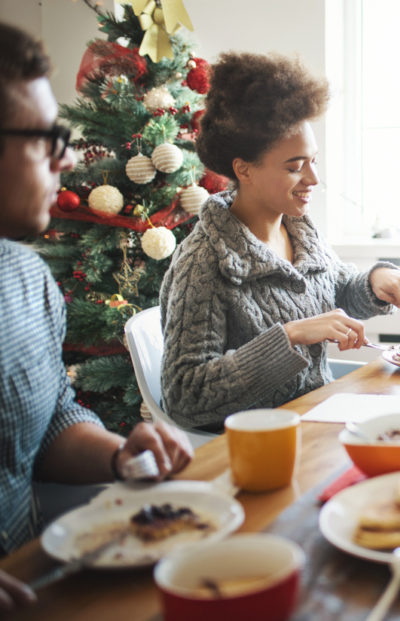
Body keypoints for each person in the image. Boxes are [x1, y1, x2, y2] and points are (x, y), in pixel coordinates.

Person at [0, 22, 192, 613]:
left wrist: (117, 453)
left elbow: (53, 416)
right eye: (46, 138)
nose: (64, 160)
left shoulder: (28, 280)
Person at [160, 52, 400, 429]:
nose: (313, 179)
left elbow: (338, 289)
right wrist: (291, 336)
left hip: (318, 418)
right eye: (295, 167)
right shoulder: (203, 262)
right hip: (257, 445)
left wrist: (375, 282)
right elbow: (185, 396)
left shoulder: (298, 228)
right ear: (243, 169)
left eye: (313, 161)